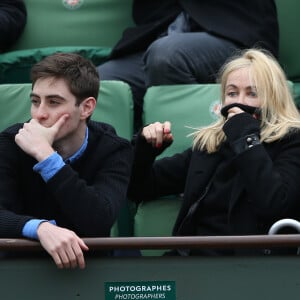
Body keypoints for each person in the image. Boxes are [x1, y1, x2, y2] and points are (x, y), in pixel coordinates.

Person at [128, 48, 300, 256]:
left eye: (252, 93)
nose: (239, 102)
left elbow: (275, 205)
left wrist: (245, 137)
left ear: (274, 99)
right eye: (232, 93)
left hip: (253, 273)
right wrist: (146, 150)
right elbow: (139, 188)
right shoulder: (210, 145)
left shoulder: (292, 142)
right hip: (193, 268)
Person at [0, 53, 133, 268]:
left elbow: (98, 221)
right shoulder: (10, 142)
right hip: (20, 270)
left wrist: (47, 158)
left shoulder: (114, 149)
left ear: (86, 108)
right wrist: (39, 228)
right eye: (35, 101)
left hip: (90, 270)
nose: (39, 114)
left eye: (53, 102)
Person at [97, 0, 279, 129]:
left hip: (232, 34)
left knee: (166, 56)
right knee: (98, 83)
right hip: (159, 36)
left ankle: (191, 155)